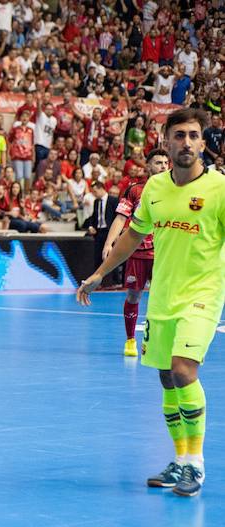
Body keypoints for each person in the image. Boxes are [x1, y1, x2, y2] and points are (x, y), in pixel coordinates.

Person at [77, 108, 225, 498]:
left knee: (182, 370)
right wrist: (99, 274)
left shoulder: (219, 190)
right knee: (164, 376)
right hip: (162, 297)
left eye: (194, 136)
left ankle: (196, 465)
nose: (187, 143)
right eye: (180, 136)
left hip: (202, 295)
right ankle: (179, 460)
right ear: (165, 141)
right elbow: (131, 236)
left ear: (203, 143)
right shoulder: (155, 189)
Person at [103, 149, 171, 356]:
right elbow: (121, 218)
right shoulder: (135, 190)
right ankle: (131, 340)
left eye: (166, 162)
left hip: (164, 253)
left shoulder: (176, 190)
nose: (163, 166)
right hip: (137, 252)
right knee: (134, 295)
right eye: (158, 162)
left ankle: (160, 341)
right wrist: (109, 243)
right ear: (148, 166)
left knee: (165, 299)